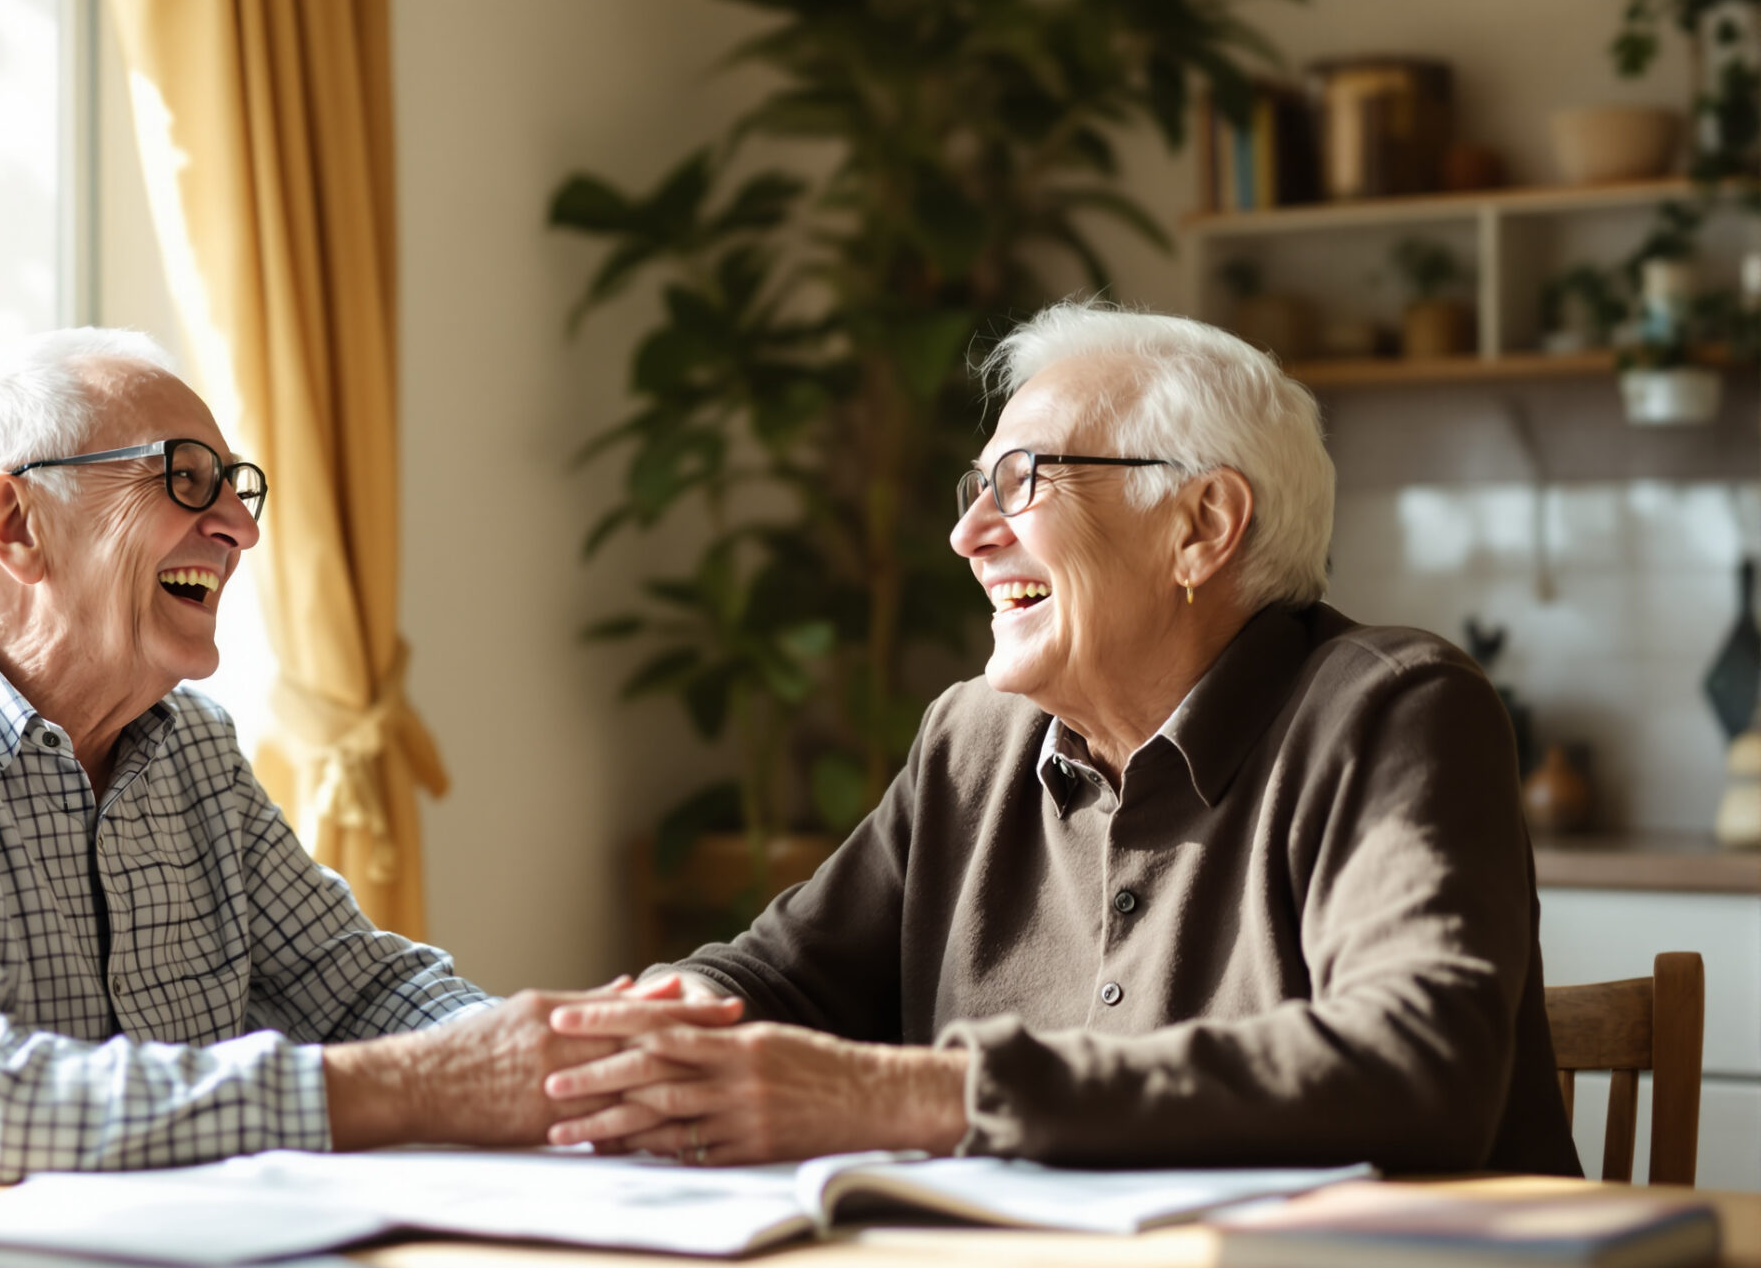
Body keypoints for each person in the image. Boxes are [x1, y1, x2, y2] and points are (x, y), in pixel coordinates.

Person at [542, 302, 1583, 1178]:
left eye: (1023, 481)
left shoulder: (1394, 711)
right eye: (975, 488)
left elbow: (1415, 1072)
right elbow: (781, 976)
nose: (968, 535)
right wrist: (662, 1024)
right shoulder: (974, 738)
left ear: (1202, 526)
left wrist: (920, 1094)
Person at [0, 327, 732, 1188]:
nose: (238, 525)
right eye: (186, 480)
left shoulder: (186, 747)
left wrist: (575, 1068)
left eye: (238, 487)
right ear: (14, 523)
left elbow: (356, 990)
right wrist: (427, 1084)